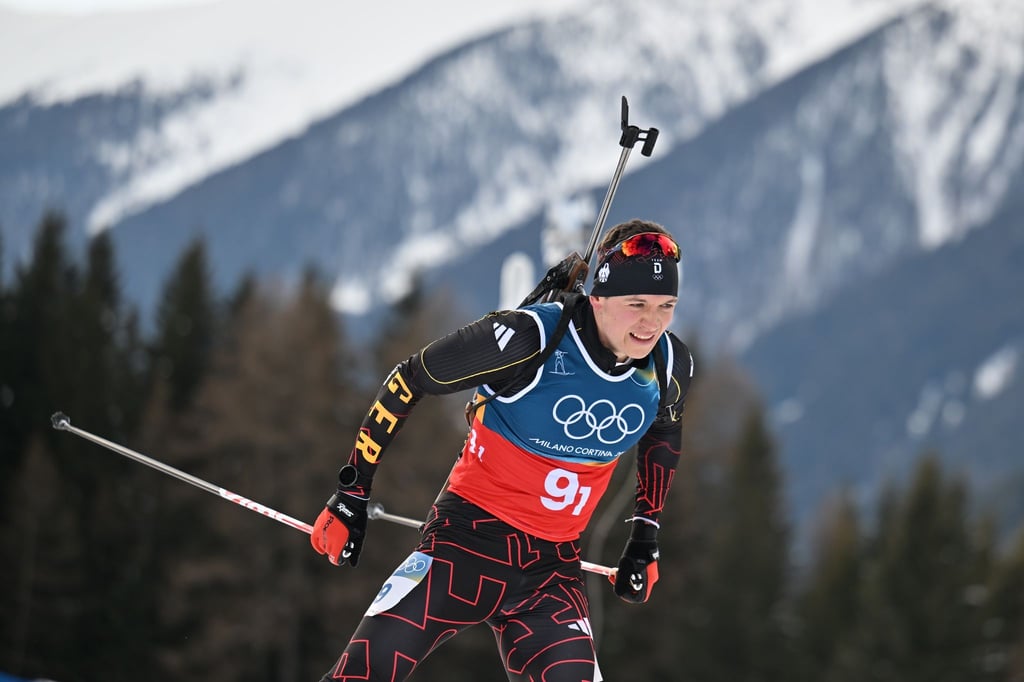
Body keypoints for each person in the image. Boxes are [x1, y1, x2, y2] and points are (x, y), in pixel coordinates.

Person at [310, 219, 693, 682]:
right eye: (637, 304)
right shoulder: (532, 338)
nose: (652, 323)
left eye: (666, 306)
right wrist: (352, 493)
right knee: (359, 675)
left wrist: (645, 537)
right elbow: (408, 379)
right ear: (598, 297)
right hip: (464, 546)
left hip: (552, 573)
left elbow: (663, 433)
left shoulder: (668, 365)